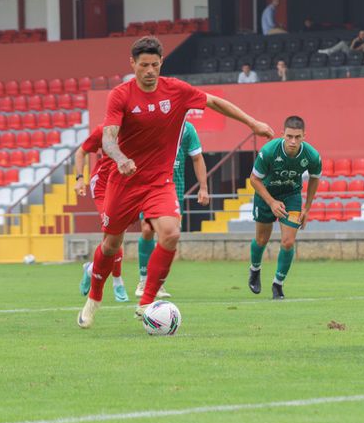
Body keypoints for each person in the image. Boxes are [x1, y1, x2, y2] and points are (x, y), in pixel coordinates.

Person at [77, 36, 273, 328]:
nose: (149, 71)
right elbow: (108, 137)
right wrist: (119, 158)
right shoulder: (120, 95)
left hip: (159, 181)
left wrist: (253, 123)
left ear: (161, 63)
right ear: (133, 64)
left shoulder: (176, 90)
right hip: (124, 181)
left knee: (170, 234)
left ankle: (146, 303)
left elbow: (215, 102)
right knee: (111, 244)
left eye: (155, 65)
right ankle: (94, 298)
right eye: (143, 65)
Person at [248, 116, 321, 300]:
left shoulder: (312, 156)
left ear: (304, 136)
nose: (293, 141)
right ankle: (255, 269)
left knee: (288, 242)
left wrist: (307, 208)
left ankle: (278, 285)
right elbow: (254, 179)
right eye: (289, 136)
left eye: (297, 137)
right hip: (266, 195)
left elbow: (314, 178)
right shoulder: (269, 151)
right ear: (283, 135)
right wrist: (271, 202)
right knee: (261, 239)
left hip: (292, 196)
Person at [135, 119, 210, 298]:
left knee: (166, 237)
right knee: (146, 229)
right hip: (150, 186)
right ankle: (143, 280)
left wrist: (204, 187)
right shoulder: (153, 121)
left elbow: (197, 157)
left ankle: (157, 285)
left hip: (174, 190)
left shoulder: (187, 129)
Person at [75, 125, 128, 302]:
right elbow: (80, 152)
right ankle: (117, 283)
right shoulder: (104, 130)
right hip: (102, 187)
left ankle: (90, 269)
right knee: (115, 233)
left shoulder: (140, 128)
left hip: (124, 187)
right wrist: (79, 179)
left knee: (114, 237)